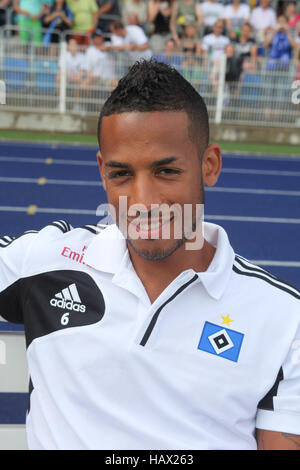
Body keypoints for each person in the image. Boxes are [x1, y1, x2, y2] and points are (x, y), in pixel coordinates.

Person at [1, 59, 300, 450]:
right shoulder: (44, 262)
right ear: (101, 170)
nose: (142, 203)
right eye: (121, 174)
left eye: (165, 172)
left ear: (209, 165)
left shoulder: (283, 319)